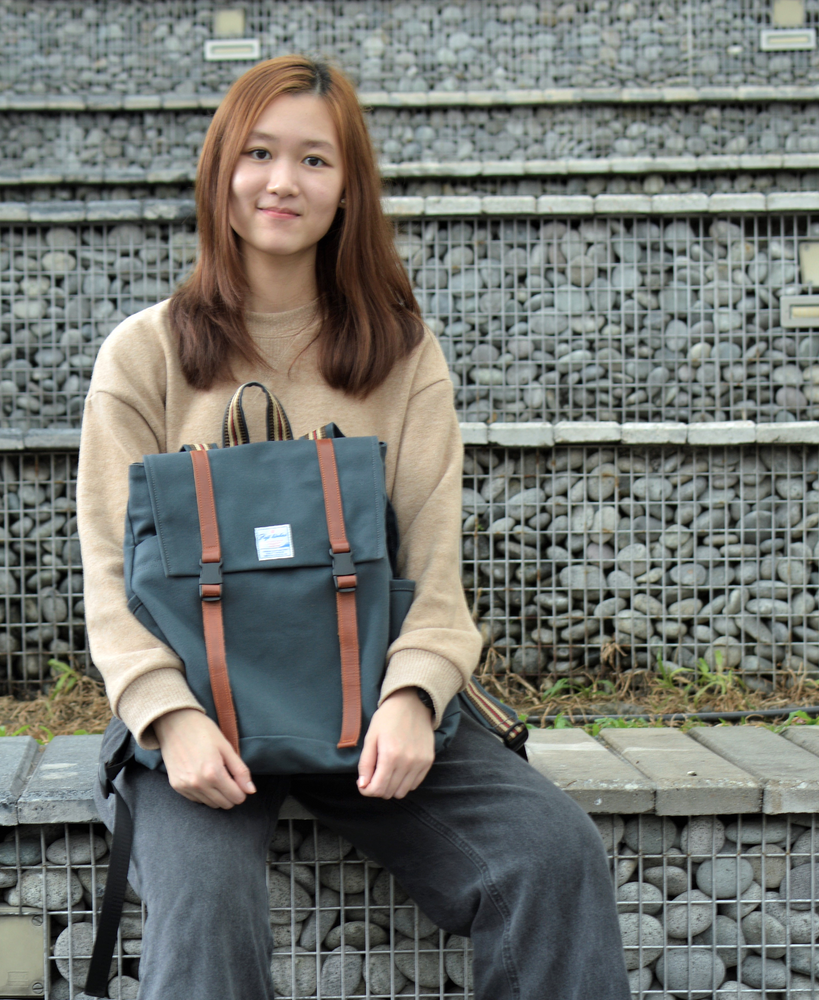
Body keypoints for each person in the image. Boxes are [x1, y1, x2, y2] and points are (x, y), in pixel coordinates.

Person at [77, 54, 630, 1000]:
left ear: (349, 190)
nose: (282, 181)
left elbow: (436, 572)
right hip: (203, 718)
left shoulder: (403, 355)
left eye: (314, 160)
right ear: (221, 171)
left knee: (552, 856)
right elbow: (106, 582)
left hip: (370, 704)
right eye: (258, 152)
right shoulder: (146, 355)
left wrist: (414, 698)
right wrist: (170, 721)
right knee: (205, 901)